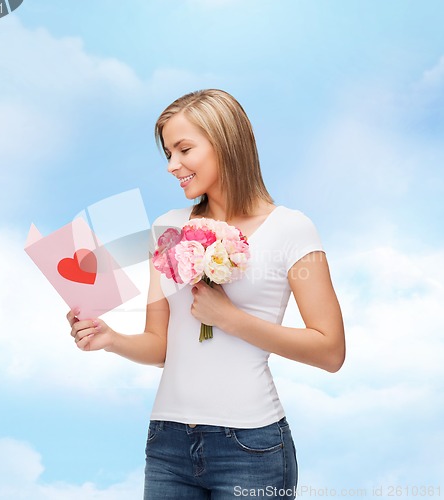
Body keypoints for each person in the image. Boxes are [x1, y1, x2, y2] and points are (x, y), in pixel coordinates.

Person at [67, 89, 345, 499]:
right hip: (167, 442)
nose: (172, 166)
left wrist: (232, 319)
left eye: (184, 149)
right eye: (168, 154)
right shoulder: (166, 228)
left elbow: (330, 350)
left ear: (226, 142)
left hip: (251, 446)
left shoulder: (292, 229)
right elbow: (162, 346)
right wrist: (111, 340)